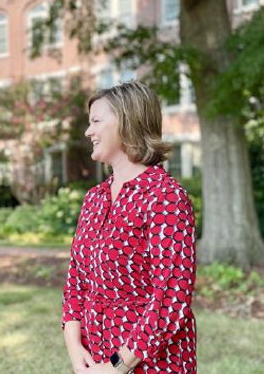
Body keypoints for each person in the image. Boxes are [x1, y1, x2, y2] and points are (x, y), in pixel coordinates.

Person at [62, 82, 196, 374]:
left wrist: (117, 366)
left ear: (126, 123)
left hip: (152, 363)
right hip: (93, 357)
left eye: (96, 121)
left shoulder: (166, 197)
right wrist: (76, 352)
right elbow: (76, 282)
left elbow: (172, 297)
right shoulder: (94, 199)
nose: (88, 132)